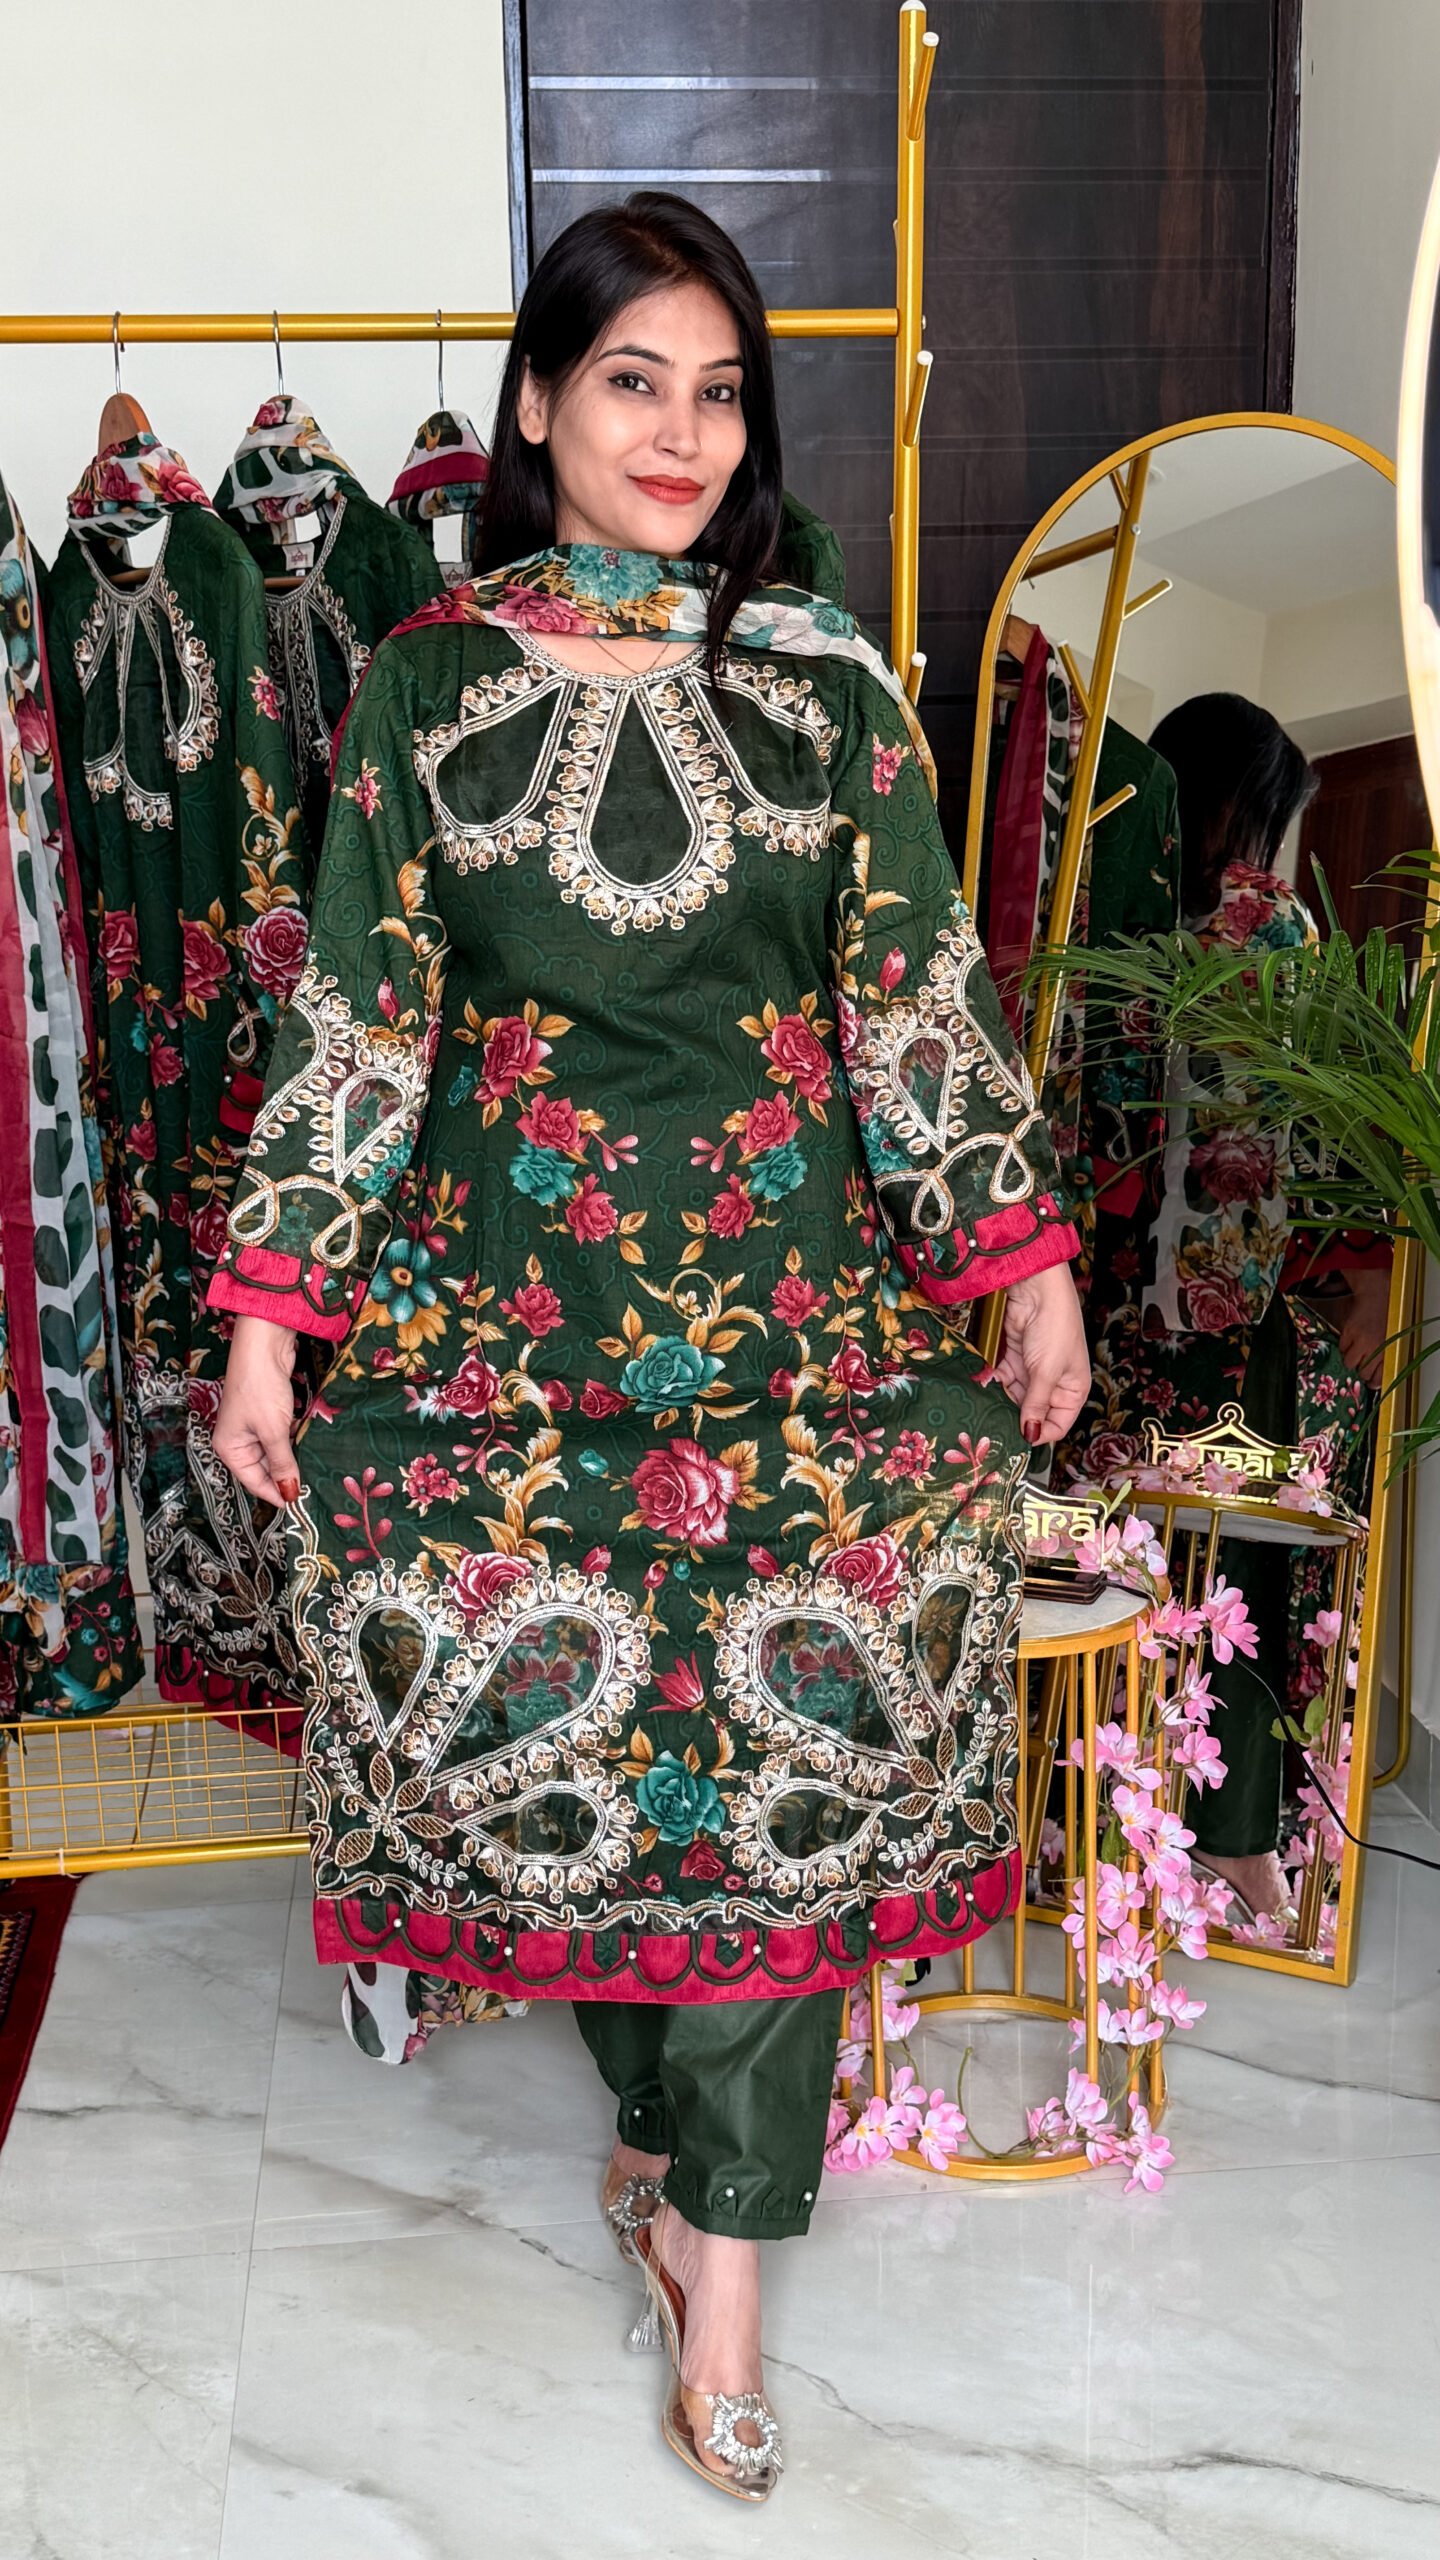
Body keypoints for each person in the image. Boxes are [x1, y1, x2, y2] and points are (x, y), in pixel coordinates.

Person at [209, 192, 1089, 2500]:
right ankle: (650, 2121)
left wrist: (1019, 1255)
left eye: (719, 392)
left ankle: (725, 2271)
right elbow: (365, 1016)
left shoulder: (822, 679)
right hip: (505, 1339)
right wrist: (276, 1315)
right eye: (632, 381)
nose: (681, 433)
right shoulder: (422, 683)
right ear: (537, 404)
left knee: (788, 1771)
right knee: (591, 1760)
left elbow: (911, 991)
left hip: (805, 1328)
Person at [1060, 692, 1387, 1921]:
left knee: (1110, 1569)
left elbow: (1097, 1117)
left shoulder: (1109, 924)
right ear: (1246, 807)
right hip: (1231, 1310)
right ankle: (1237, 1839)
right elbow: (1325, 1129)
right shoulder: (1273, 925)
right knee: (1238, 1572)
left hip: (1106, 1306)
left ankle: (1093, 1828)